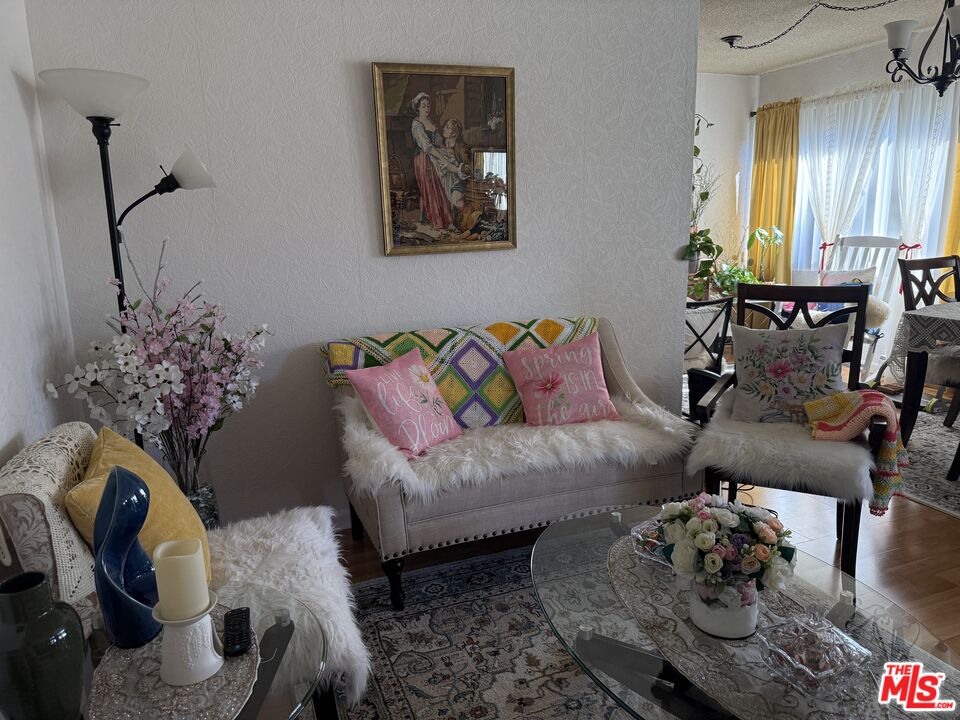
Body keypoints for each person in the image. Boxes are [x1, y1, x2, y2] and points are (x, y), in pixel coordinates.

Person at [410, 92, 459, 230]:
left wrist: (447, 151)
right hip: (423, 159)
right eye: (423, 106)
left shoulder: (430, 122)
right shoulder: (416, 125)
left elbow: (437, 143)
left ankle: (439, 218)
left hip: (434, 157)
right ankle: (438, 221)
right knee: (430, 188)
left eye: (428, 106)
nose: (427, 109)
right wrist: (443, 159)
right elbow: (427, 147)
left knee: (438, 186)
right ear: (418, 108)